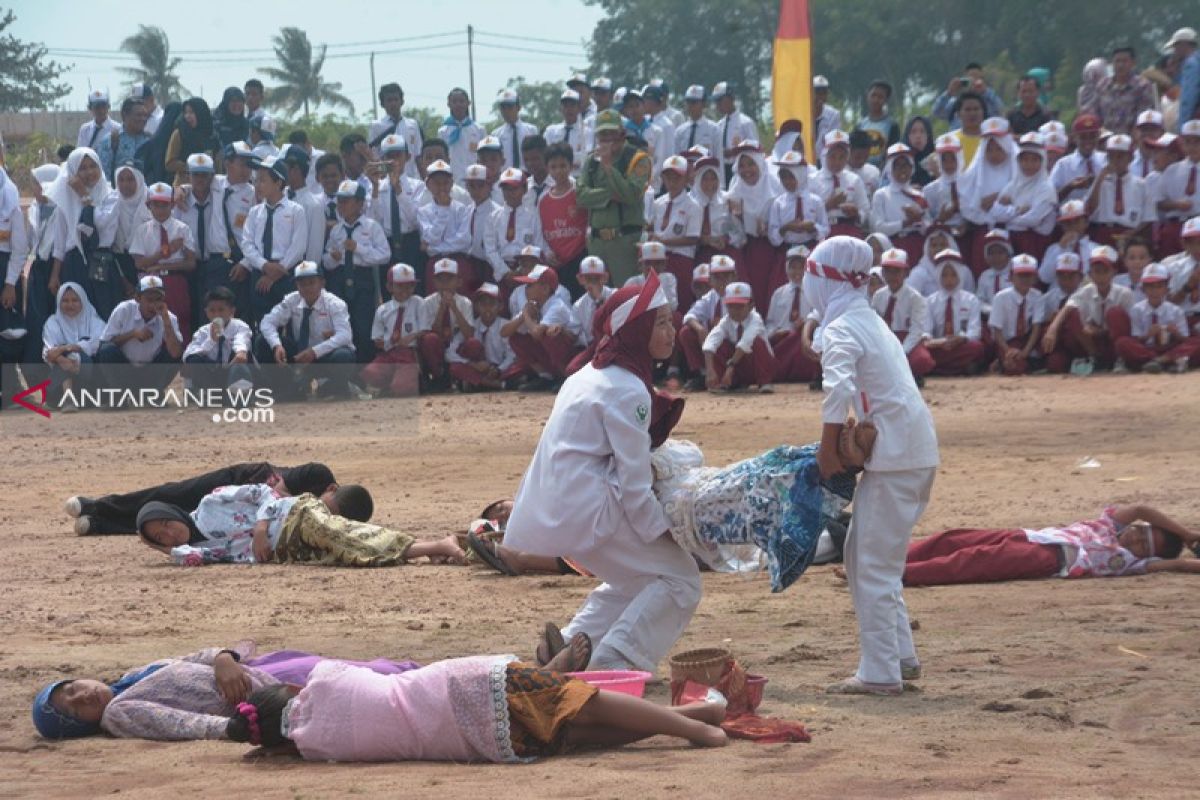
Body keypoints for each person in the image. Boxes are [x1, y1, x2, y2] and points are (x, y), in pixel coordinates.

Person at [505, 272, 699, 673]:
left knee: (638, 579)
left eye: (669, 319)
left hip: (560, 506)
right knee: (681, 579)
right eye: (659, 322)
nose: (671, 329)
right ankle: (613, 663)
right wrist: (670, 529)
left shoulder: (588, 374)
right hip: (589, 508)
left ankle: (575, 645)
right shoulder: (628, 389)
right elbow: (634, 485)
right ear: (637, 330)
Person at [805, 236, 939, 696]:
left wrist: (826, 451)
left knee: (873, 564)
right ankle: (899, 656)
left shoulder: (846, 326)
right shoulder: (865, 319)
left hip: (900, 456)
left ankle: (881, 672)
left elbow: (836, 389)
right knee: (866, 556)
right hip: (906, 452)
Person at [225, 652, 726, 763]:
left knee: (576, 734)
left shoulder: (315, 750)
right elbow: (376, 671)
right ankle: (698, 729)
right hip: (464, 687)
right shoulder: (323, 681)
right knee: (579, 700)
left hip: (474, 743)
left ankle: (692, 721)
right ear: (292, 693)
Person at [31, 642, 421, 741]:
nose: (82, 696)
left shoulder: (134, 675)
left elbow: (192, 656)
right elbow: (180, 723)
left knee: (367, 669)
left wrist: (221, 659)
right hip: (261, 693)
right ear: (78, 727)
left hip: (258, 668)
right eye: (73, 708)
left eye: (71, 689)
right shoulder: (119, 713)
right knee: (372, 679)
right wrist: (236, 727)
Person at [903, 504, 1200, 586]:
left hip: (1050, 558)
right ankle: (888, 558)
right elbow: (1142, 509)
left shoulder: (1131, 563)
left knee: (973, 560)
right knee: (954, 539)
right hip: (1030, 535)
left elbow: (1181, 564)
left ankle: (898, 573)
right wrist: (1187, 534)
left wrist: (1186, 554)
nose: (1135, 539)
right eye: (1140, 532)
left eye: (1144, 546)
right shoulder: (1109, 524)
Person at [65, 462, 338, 536]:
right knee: (172, 493)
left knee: (175, 524)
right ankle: (97, 505)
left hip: (237, 516)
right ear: (333, 488)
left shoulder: (325, 513)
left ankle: (100, 524)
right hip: (238, 482)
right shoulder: (318, 473)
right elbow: (278, 488)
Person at [255, 261, 356, 399]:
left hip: (324, 355)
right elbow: (267, 322)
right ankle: (285, 388)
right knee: (263, 341)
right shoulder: (292, 300)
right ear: (297, 285)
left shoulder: (335, 303)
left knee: (344, 356)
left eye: (311, 282)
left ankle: (335, 387)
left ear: (322, 283)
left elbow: (345, 335)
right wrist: (277, 345)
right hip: (299, 354)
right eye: (302, 283)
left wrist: (314, 352)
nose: (307, 288)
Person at [578, 109, 651, 285]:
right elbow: (580, 197)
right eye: (603, 134)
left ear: (622, 133)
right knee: (597, 299)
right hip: (597, 243)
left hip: (624, 242)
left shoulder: (638, 159)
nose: (607, 139)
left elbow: (631, 195)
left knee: (625, 297)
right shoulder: (591, 161)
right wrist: (610, 194)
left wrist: (609, 167)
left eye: (611, 133)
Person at [325, 179, 390, 362]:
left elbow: (384, 255)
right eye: (340, 201)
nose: (341, 205)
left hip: (362, 278)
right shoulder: (337, 230)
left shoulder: (371, 226)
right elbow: (326, 260)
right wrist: (332, 258)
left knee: (364, 325)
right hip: (340, 278)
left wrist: (359, 249)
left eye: (347, 201)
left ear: (360, 203)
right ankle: (346, 370)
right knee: (344, 325)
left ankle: (365, 370)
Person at [1041, 245, 1133, 374]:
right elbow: (1068, 308)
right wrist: (1052, 329)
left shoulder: (1124, 294)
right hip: (1093, 343)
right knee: (1072, 314)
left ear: (1114, 272)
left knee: (1115, 313)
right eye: (1096, 271)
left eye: (1105, 271)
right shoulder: (1085, 291)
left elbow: (1128, 327)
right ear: (1090, 274)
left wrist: (1100, 331)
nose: (1101, 277)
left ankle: (1120, 359)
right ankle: (1095, 357)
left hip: (1112, 341)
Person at [242, 156, 308, 322]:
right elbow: (247, 243)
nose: (257, 185)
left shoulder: (296, 210)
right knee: (262, 321)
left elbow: (298, 246)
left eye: (263, 180)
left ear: (278, 183)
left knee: (289, 322)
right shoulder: (255, 212)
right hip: (260, 272)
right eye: (256, 181)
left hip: (286, 274)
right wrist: (264, 265)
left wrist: (278, 270)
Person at [501, 264, 579, 389]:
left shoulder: (556, 306)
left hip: (573, 354)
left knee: (550, 334)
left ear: (545, 289)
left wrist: (526, 314)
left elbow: (537, 333)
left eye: (530, 285)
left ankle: (565, 377)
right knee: (516, 337)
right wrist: (523, 316)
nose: (526, 288)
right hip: (554, 355)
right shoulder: (535, 304)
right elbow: (504, 332)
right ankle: (546, 377)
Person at [767, 151, 828, 309]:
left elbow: (825, 229)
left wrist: (813, 227)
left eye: (791, 176)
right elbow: (773, 236)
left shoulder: (815, 201)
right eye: (783, 177)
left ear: (801, 175)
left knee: (812, 291)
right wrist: (786, 227)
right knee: (785, 291)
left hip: (810, 250)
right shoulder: (778, 203)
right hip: (787, 254)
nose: (787, 181)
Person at [1113, 262, 1197, 373]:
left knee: (1195, 343)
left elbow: (1185, 339)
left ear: (1166, 289)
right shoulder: (1137, 310)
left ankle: (1160, 361)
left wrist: (1176, 333)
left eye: (1159, 287)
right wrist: (1148, 335)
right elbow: (1136, 338)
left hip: (1170, 347)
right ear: (1143, 289)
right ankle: (1163, 362)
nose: (1155, 291)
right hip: (1147, 349)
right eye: (1150, 287)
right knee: (1122, 343)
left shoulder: (1176, 310)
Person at [959, 118, 1017, 272]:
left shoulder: (1017, 169)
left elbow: (1023, 198)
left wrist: (995, 198)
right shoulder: (976, 172)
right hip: (984, 234)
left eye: (999, 149)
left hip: (1013, 232)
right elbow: (969, 206)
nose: (994, 154)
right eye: (989, 150)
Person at [870, 248, 934, 382]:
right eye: (888, 271)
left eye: (897, 271)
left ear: (906, 273)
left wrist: (902, 352)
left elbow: (916, 330)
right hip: (885, 339)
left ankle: (911, 374)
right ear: (882, 273)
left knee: (922, 360)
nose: (892, 276)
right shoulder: (878, 296)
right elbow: (874, 325)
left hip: (907, 340)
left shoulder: (915, 298)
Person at [990, 133, 1057, 260]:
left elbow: (1033, 219)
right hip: (1011, 242)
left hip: (1034, 243)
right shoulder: (1013, 184)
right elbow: (995, 213)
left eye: (1034, 160)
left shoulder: (1046, 188)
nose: (1029, 165)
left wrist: (1007, 215)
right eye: (1025, 160)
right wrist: (1017, 210)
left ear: (1042, 161)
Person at [701, 280, 775, 393]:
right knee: (720, 344)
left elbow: (746, 342)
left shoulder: (756, 319)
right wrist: (710, 371)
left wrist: (731, 366)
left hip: (757, 366)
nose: (735, 310)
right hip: (738, 368)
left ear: (751, 306)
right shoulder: (725, 321)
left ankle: (765, 381)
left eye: (740, 306)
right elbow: (710, 343)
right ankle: (726, 383)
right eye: (731, 306)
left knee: (757, 342)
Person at [369, 134, 426, 279]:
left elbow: (415, 220)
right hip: (387, 243)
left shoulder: (418, 186)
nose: (394, 161)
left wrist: (398, 189)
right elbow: (374, 222)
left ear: (407, 157)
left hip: (410, 242)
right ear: (381, 160)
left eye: (398, 155)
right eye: (389, 156)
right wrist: (375, 189)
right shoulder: (377, 187)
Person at [538, 143, 589, 298]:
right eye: (553, 167)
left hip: (580, 258)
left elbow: (590, 221)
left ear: (571, 166)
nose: (558, 171)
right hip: (556, 264)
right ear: (547, 168)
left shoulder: (580, 192)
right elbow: (541, 231)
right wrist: (547, 252)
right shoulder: (543, 199)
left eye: (562, 165)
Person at [923, 251, 986, 376]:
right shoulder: (930, 301)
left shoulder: (971, 299)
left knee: (977, 347)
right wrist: (937, 342)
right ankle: (958, 369)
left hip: (960, 345)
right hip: (938, 346)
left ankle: (938, 369)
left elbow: (974, 332)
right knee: (922, 350)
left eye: (953, 275)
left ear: (960, 276)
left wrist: (961, 339)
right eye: (944, 275)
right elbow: (926, 331)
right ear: (938, 277)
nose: (949, 280)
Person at [445, 282, 515, 391]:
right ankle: (494, 385)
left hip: (499, 369)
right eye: (483, 304)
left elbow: (512, 354)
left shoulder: (506, 326)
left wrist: (498, 369)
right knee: (456, 367)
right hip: (477, 368)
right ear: (477, 307)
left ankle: (476, 383)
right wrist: (473, 364)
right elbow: (449, 353)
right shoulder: (472, 327)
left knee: (518, 368)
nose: (487, 308)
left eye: (492, 304)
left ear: (500, 306)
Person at [41, 282, 103, 404]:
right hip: (61, 373)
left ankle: (67, 400)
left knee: (71, 353)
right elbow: (48, 353)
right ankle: (68, 398)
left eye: (75, 300)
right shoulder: (53, 322)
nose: (70, 305)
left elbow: (98, 342)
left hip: (89, 375)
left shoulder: (93, 319)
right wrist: (61, 360)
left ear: (83, 301)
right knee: (62, 356)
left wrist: (69, 348)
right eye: (65, 301)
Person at [417, 258, 474, 389]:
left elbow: (469, 334)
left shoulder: (465, 302)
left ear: (458, 282)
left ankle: (461, 378)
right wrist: (441, 310)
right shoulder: (427, 302)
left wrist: (454, 308)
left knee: (473, 344)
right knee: (429, 340)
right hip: (439, 344)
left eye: (449, 279)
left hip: (457, 344)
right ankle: (439, 376)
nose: (445, 284)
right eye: (440, 280)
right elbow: (431, 333)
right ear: (434, 282)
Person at [416, 160, 474, 292]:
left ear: (452, 183)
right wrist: (443, 210)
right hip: (435, 262)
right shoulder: (423, 211)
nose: (441, 187)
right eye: (436, 183)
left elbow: (464, 241)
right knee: (435, 304)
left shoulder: (462, 209)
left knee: (461, 303)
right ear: (428, 184)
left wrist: (434, 247)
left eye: (445, 182)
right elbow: (431, 238)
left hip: (459, 260)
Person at [764, 246, 818, 384]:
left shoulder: (815, 292)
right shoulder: (778, 293)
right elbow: (770, 322)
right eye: (793, 267)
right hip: (783, 339)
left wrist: (806, 324)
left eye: (802, 267)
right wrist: (774, 333)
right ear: (786, 269)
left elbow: (819, 317)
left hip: (804, 337)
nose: (797, 272)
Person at [183, 287, 253, 392]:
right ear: (206, 312)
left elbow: (241, 341)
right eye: (212, 310)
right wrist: (211, 341)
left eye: (221, 310)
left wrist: (241, 352)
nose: (217, 315)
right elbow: (187, 355)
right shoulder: (202, 331)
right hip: (214, 374)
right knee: (193, 360)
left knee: (240, 363)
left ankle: (239, 395)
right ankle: (213, 393)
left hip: (233, 370)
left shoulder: (240, 326)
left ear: (232, 311)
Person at [871, 144, 930, 265]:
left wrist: (919, 221)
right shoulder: (881, 195)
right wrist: (905, 223)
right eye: (897, 166)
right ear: (890, 169)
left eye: (906, 165)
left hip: (917, 245)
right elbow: (879, 227)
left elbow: (928, 226)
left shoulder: (919, 195)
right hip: (894, 246)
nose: (902, 170)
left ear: (911, 168)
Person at [1082, 46, 1159, 135]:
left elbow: (1144, 117)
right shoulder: (1102, 86)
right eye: (1117, 61)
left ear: (1133, 63)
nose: (1120, 65)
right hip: (1105, 138)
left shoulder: (1143, 86)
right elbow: (1094, 112)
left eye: (1124, 61)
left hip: (1132, 139)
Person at [989, 255, 1044, 375]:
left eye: (1029, 275)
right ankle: (1002, 361)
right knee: (1014, 367)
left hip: (1027, 341)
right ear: (1011, 277)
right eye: (1020, 275)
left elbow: (1036, 327)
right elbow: (997, 330)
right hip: (1006, 342)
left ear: (1035, 278)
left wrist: (1025, 351)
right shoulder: (1000, 297)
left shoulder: (1037, 296)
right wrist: (1007, 350)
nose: (1025, 279)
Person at [812, 130, 870, 238]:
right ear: (824, 156)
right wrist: (827, 205)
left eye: (842, 157)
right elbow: (807, 214)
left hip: (850, 229)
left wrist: (856, 213)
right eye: (832, 156)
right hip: (825, 231)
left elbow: (865, 209)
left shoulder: (854, 179)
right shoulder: (813, 180)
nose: (837, 162)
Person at [1156, 121, 1200, 257]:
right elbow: (1160, 203)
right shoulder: (1172, 170)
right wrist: (1175, 204)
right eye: (1188, 142)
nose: (1192, 147)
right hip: (1176, 224)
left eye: (1196, 142)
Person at [368, 83, 422, 178]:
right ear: (382, 104)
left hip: (411, 180)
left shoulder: (412, 125)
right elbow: (374, 158)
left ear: (402, 101)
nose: (393, 103)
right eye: (389, 100)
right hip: (387, 180)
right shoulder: (376, 126)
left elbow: (418, 155)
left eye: (396, 99)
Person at [711, 82, 757, 186]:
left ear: (731, 98)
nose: (718, 105)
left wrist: (733, 152)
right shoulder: (719, 125)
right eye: (716, 101)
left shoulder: (745, 122)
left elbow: (755, 149)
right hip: (722, 170)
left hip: (741, 170)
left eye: (720, 100)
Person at [1051, 114, 1105, 203]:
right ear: (1074, 138)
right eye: (1083, 137)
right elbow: (1050, 199)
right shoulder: (1063, 165)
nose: (1088, 141)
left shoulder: (1106, 161)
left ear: (1098, 136)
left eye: (1092, 136)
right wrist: (1070, 187)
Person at [1040, 200, 1095, 287]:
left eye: (1077, 221)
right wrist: (1060, 248)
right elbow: (1045, 278)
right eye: (1067, 223)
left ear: (1086, 222)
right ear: (1062, 226)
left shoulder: (1095, 249)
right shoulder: (1053, 249)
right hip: (1059, 296)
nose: (1072, 226)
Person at [164, 98, 217, 187]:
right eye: (186, 113)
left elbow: (217, 164)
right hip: (184, 186)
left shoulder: (212, 136)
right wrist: (194, 167)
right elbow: (169, 163)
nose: (188, 116)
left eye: (192, 112)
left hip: (208, 187)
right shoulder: (180, 133)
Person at [932, 64, 1004, 129]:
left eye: (977, 78)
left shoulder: (988, 102)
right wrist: (949, 93)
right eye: (970, 78)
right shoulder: (955, 102)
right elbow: (937, 112)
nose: (973, 82)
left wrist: (986, 91)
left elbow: (1000, 109)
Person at [924, 135, 967, 242]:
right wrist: (940, 219)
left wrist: (967, 224)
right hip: (941, 238)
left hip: (967, 235)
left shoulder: (970, 184)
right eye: (944, 160)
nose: (949, 165)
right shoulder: (930, 190)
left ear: (959, 158)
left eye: (953, 159)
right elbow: (926, 220)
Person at [438, 87, 486, 183]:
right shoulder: (443, 131)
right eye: (454, 101)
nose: (458, 104)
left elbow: (484, 157)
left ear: (468, 103)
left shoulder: (479, 129)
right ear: (448, 104)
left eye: (461, 101)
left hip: (474, 180)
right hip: (451, 179)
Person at [855, 80, 901, 169]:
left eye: (880, 97)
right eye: (873, 95)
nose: (876, 100)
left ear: (886, 100)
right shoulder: (860, 125)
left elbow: (892, 152)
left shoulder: (892, 125)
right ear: (868, 96)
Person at [103, 98, 151, 182]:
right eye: (139, 115)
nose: (143, 119)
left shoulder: (149, 140)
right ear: (124, 115)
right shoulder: (110, 140)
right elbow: (104, 173)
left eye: (145, 115)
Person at [1167, 28, 1200, 131]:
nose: (1174, 50)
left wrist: (1182, 125)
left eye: (1176, 46)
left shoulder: (1190, 64)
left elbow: (1188, 98)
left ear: (1184, 45)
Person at [675, 85, 719, 159]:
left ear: (704, 104)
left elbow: (718, 159)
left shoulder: (714, 130)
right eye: (688, 102)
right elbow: (676, 157)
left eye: (694, 102)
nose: (690, 106)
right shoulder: (680, 131)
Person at [76, 90, 121, 163]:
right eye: (97, 107)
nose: (101, 110)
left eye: (104, 106)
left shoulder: (117, 128)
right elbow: (80, 152)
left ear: (109, 107)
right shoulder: (85, 129)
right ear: (90, 108)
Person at [811, 75, 843, 166]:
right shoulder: (802, 114)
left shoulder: (833, 115)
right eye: (817, 92)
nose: (820, 96)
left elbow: (835, 140)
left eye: (824, 93)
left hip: (825, 161)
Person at [902, 117, 935, 186]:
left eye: (922, 131)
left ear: (928, 135)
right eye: (913, 132)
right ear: (907, 136)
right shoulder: (900, 160)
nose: (918, 136)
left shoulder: (937, 159)